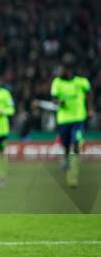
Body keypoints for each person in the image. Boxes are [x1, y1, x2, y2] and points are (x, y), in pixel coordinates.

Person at [50, 58, 93, 187]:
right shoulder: (57, 82)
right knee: (66, 145)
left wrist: (89, 108)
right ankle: (65, 157)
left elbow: (90, 93)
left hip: (78, 119)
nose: (62, 72)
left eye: (64, 70)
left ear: (70, 70)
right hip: (63, 119)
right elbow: (53, 98)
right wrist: (59, 102)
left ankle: (73, 175)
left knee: (76, 144)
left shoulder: (81, 82)